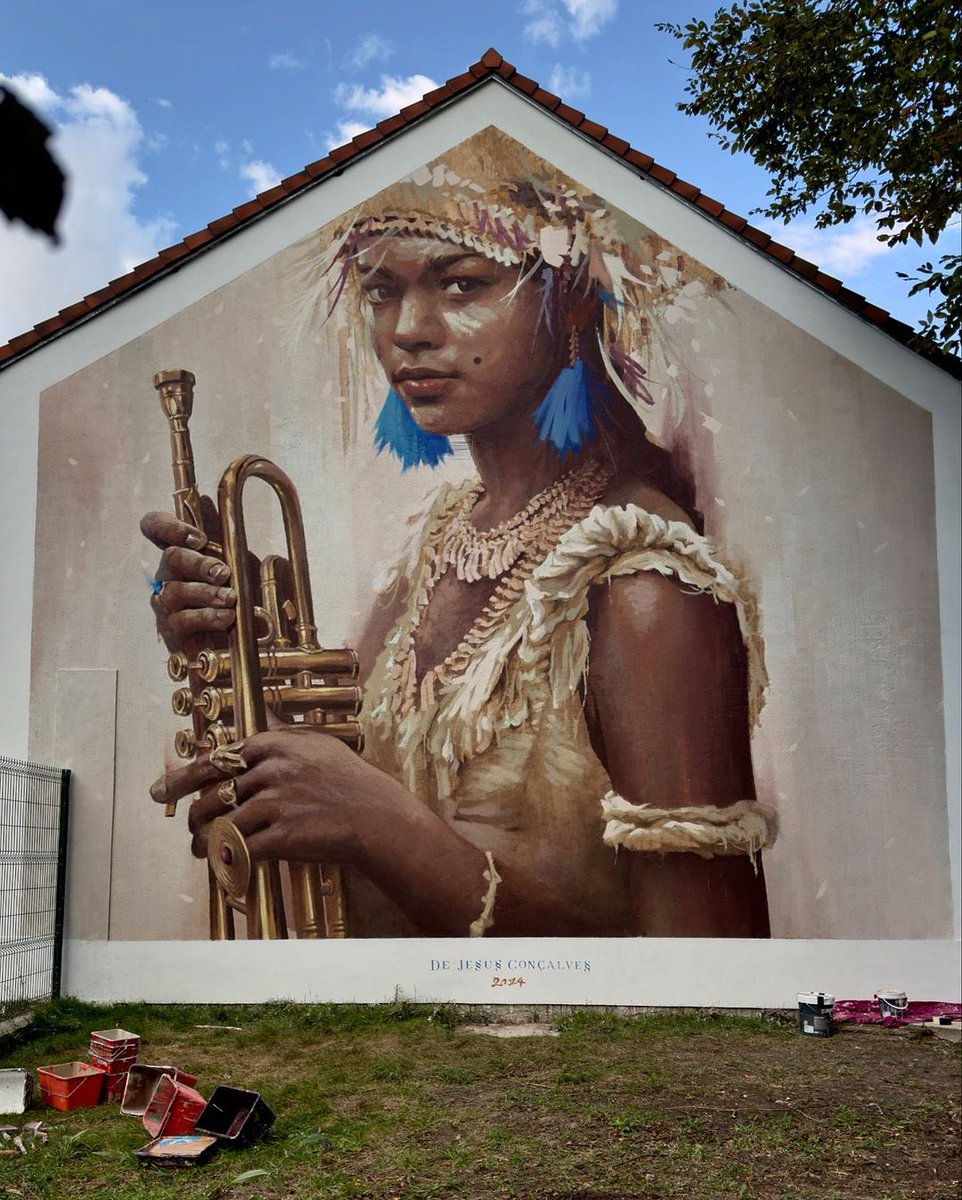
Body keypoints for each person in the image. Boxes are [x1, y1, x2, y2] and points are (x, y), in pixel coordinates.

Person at [142, 130, 772, 938]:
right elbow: (348, 802)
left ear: (574, 300)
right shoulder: (440, 538)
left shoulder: (645, 584)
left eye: (463, 283)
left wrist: (380, 827)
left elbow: (708, 962)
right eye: (381, 291)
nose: (409, 328)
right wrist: (237, 659)